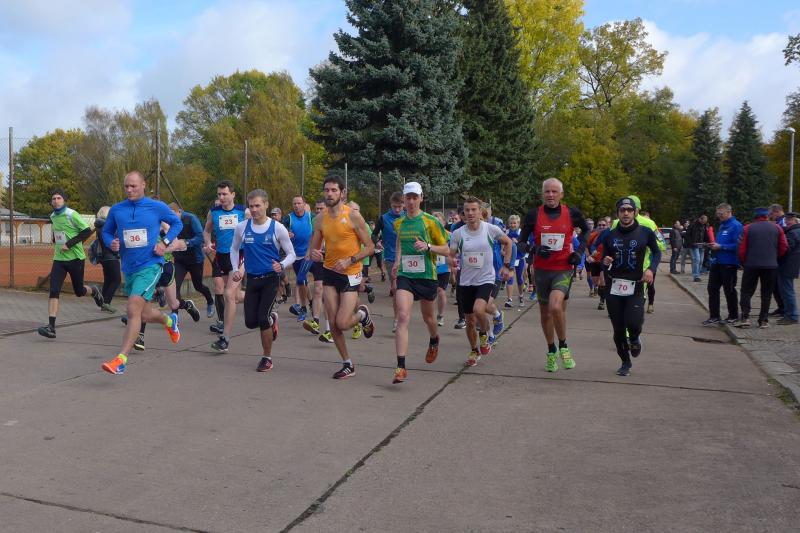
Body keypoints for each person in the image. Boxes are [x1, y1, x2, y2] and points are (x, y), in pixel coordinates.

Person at [100, 171, 183, 375]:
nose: (129, 190)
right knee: (144, 314)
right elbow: (106, 231)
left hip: (150, 265)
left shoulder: (156, 207)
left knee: (132, 309)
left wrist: (164, 243)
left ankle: (121, 360)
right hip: (129, 267)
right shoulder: (117, 209)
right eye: (126, 186)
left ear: (143, 185)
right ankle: (170, 321)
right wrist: (111, 242)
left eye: (133, 186)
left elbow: (177, 223)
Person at [307, 175, 375, 379]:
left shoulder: (353, 216)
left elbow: (370, 247)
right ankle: (347, 364)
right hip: (329, 271)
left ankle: (362, 315)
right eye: (326, 190)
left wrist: (350, 260)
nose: (329, 194)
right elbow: (313, 248)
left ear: (342, 193)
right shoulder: (320, 219)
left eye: (334, 190)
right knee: (334, 323)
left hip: (350, 273)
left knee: (343, 322)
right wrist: (314, 253)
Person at [518, 178, 589, 372]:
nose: (550, 195)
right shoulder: (534, 215)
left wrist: (578, 252)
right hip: (542, 271)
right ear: (543, 194)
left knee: (556, 307)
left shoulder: (572, 213)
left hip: (563, 268)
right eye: (547, 191)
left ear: (561, 194)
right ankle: (551, 350)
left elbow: (586, 231)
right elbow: (521, 243)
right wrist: (534, 249)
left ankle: (564, 346)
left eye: (554, 191)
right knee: (545, 314)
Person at [390, 182, 450, 383]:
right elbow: (400, 241)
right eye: (408, 197)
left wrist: (428, 246)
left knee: (429, 318)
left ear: (421, 198)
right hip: (405, 275)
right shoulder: (399, 222)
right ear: (404, 199)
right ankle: (401, 367)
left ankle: (434, 339)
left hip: (426, 276)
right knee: (402, 316)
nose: (411, 201)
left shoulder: (430, 221)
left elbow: (446, 249)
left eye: (415, 197)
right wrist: (397, 261)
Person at [229, 189, 295, 370]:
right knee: (251, 322)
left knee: (262, 318)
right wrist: (235, 269)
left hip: (270, 279)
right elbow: (234, 249)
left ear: (266, 205)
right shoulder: (242, 227)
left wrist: (281, 265)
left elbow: (291, 253)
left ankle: (267, 358)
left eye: (258, 205)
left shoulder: (277, 228)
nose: (254, 209)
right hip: (252, 280)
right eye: (251, 206)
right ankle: (272, 319)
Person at [599, 197, 661, 376]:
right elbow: (604, 260)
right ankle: (625, 362)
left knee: (633, 322)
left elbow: (657, 252)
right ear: (617, 213)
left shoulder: (645, 232)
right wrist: (605, 262)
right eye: (622, 210)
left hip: (636, 284)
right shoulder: (609, 235)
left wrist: (651, 269)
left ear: (635, 212)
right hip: (614, 285)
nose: (626, 213)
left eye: (629, 210)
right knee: (618, 329)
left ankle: (634, 338)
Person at [449, 197, 513, 366]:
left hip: (486, 278)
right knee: (470, 321)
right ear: (463, 213)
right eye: (467, 210)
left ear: (480, 212)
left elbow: (508, 243)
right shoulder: (458, 233)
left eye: (473, 210)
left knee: (479, 309)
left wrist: (506, 266)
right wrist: (452, 263)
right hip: (466, 281)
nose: (470, 213)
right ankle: (474, 351)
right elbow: (451, 254)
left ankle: (484, 335)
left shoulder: (490, 229)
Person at [37, 189, 104, 338]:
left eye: (59, 198)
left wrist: (69, 243)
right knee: (54, 290)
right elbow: (58, 230)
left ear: (64, 200)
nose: (56, 201)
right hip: (59, 259)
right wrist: (55, 238)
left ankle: (94, 290)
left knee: (79, 291)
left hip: (76, 259)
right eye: (53, 199)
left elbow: (86, 231)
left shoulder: (71, 214)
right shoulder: (53, 216)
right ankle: (51, 327)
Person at [203, 181, 247, 337]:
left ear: (233, 194)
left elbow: (256, 228)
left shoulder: (243, 211)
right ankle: (222, 321)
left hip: (238, 255)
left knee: (232, 295)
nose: (221, 197)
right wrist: (208, 243)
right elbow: (207, 230)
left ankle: (260, 297)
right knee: (219, 287)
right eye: (219, 194)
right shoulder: (213, 212)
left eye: (224, 194)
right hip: (220, 255)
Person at [735, 207, 788, 329]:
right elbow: (784, 247)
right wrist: (774, 257)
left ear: (755, 216)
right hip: (771, 265)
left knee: (746, 291)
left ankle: (745, 317)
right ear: (767, 216)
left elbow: (741, 249)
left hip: (751, 264)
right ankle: (763, 320)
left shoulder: (747, 228)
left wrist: (743, 262)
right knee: (766, 293)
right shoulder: (777, 228)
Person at [170, 203, 214, 318]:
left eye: (173, 215)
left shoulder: (190, 218)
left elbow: (200, 237)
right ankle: (174, 317)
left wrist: (186, 242)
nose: (172, 218)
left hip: (195, 259)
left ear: (179, 211)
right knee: (175, 287)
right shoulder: (169, 222)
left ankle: (210, 300)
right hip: (180, 260)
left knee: (198, 286)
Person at [702, 204, 743, 326]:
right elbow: (720, 242)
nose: (719, 216)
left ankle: (733, 315)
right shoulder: (722, 225)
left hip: (729, 263)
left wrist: (721, 247)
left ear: (729, 212)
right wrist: (713, 245)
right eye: (718, 214)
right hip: (717, 262)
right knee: (712, 288)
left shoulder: (736, 226)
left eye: (721, 214)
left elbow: (738, 245)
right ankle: (714, 316)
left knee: (729, 289)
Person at [303, 199, 335, 343]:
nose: (318, 211)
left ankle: (330, 329)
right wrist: (309, 251)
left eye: (321, 208)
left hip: (331, 260)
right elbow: (313, 236)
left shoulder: (335, 219)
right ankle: (316, 321)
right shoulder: (316, 220)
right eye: (316, 208)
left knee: (331, 296)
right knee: (318, 290)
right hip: (318, 258)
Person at [372, 192, 404, 331]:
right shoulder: (384, 218)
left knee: (405, 290)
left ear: (403, 205)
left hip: (408, 258)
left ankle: (403, 315)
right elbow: (374, 234)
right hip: (391, 257)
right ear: (391, 205)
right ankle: (397, 319)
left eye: (400, 207)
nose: (397, 209)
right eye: (394, 206)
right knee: (396, 289)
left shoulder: (408, 216)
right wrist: (377, 242)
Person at [285, 195, 314, 321]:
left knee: (301, 279)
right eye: (294, 203)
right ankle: (311, 302)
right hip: (295, 255)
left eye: (299, 203)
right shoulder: (288, 218)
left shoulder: (311, 217)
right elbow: (280, 230)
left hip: (308, 254)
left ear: (304, 204)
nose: (296, 206)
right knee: (303, 282)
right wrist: (286, 233)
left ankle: (303, 308)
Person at [93, 206, 121, 313]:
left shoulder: (99, 226)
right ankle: (106, 303)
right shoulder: (106, 226)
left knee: (108, 280)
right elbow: (110, 242)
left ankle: (102, 301)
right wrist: (117, 252)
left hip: (104, 257)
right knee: (116, 280)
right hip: (111, 256)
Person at [777, 212, 800, 325]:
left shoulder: (793, 233)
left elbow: (785, 249)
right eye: (786, 220)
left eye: (789, 220)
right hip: (791, 264)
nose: (786, 222)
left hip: (787, 265)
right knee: (787, 290)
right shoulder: (796, 231)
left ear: (795, 220)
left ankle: (792, 315)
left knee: (787, 290)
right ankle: (789, 313)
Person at [432, 211, 452, 325]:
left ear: (444, 222)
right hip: (431, 266)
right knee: (430, 293)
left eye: (439, 221)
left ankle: (440, 315)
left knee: (441, 291)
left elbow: (454, 251)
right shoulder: (428, 234)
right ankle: (430, 315)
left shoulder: (449, 235)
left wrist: (452, 262)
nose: (437, 224)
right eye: (434, 221)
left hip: (444, 267)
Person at [769, 204, 787, 317]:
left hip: (781, 259)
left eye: (771, 214)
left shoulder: (783, 222)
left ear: (777, 211)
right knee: (775, 285)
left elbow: (783, 242)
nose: (771, 216)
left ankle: (784, 308)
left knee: (780, 285)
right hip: (777, 258)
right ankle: (781, 307)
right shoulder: (779, 222)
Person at [686, 215, 710, 282]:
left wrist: (707, 243)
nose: (704, 223)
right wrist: (691, 243)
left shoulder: (704, 225)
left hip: (702, 245)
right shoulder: (692, 225)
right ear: (700, 219)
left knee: (701, 261)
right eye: (703, 221)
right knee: (697, 260)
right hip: (694, 245)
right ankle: (696, 276)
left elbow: (705, 235)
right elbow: (687, 235)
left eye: (705, 222)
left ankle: (698, 274)